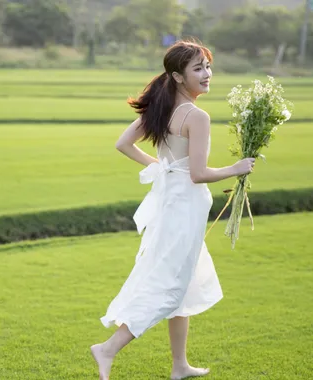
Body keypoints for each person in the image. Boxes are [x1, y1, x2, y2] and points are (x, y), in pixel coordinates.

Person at [90, 40, 255, 380]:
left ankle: (179, 366)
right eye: (199, 68)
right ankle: (107, 348)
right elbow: (199, 174)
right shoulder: (197, 116)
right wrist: (236, 168)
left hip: (173, 205)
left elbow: (123, 144)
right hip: (183, 208)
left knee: (185, 285)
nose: (207, 74)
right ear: (179, 76)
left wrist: (164, 166)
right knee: (170, 289)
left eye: (208, 66)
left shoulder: (161, 107)